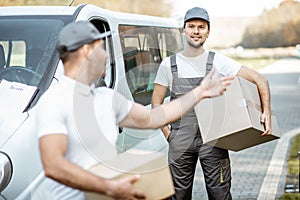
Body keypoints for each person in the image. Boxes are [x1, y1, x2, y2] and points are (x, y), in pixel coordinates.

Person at [36, 21, 234, 200]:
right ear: (87, 50)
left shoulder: (107, 98)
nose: (106, 55)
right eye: (102, 48)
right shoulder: (54, 101)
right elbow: (54, 165)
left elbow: (152, 118)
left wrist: (199, 92)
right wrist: (110, 187)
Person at [151, 7, 272, 200]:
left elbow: (259, 80)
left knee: (220, 195)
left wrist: (266, 111)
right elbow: (156, 105)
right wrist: (169, 135)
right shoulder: (168, 64)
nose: (196, 31)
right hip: (180, 140)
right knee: (178, 196)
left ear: (208, 32)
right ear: (184, 31)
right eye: (191, 26)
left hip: (214, 139)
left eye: (201, 27)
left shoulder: (219, 62)